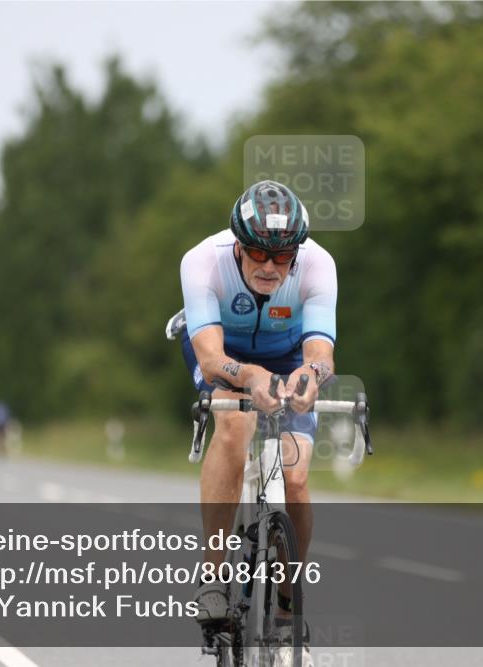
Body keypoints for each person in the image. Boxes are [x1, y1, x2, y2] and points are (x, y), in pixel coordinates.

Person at [173, 180, 336, 644]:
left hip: (288, 355)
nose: (268, 266)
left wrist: (310, 378)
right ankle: (212, 578)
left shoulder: (319, 264)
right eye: (257, 253)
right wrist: (247, 377)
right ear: (238, 245)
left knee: (297, 478)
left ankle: (288, 600)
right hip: (222, 349)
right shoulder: (202, 261)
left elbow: (321, 353)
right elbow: (209, 357)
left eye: (282, 258)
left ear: (296, 254)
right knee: (234, 422)